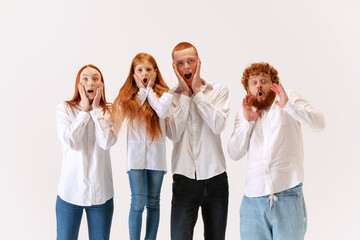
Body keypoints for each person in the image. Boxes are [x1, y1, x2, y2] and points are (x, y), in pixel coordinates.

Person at [227, 62, 326, 240]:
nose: (259, 85)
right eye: (254, 82)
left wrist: (289, 106)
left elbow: (319, 123)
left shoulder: (290, 99)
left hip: (287, 195)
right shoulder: (244, 113)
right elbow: (234, 153)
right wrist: (247, 122)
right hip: (252, 202)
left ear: (274, 84)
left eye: (264, 81)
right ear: (248, 90)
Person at [166, 42, 230, 240]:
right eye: (181, 63)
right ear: (174, 67)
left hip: (215, 178)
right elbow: (173, 134)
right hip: (184, 179)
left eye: (191, 61)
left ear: (199, 62)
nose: (187, 67)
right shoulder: (170, 97)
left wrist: (198, 93)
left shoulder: (218, 90)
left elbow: (218, 125)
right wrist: (185, 94)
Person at [112, 53, 172, 240]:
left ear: (155, 72)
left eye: (148, 69)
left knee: (153, 202)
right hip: (135, 159)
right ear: (133, 74)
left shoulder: (165, 94)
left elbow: (162, 111)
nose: (144, 73)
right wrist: (141, 92)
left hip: (156, 157)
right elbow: (130, 112)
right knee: (137, 202)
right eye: (139, 70)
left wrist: (150, 91)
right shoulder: (127, 99)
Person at [56, 64, 116, 240]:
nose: (90, 82)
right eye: (85, 78)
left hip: (101, 194)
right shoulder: (65, 109)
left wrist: (96, 110)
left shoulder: (107, 111)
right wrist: (83, 111)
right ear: (78, 85)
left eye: (95, 78)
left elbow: (107, 142)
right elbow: (69, 141)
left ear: (101, 85)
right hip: (70, 192)